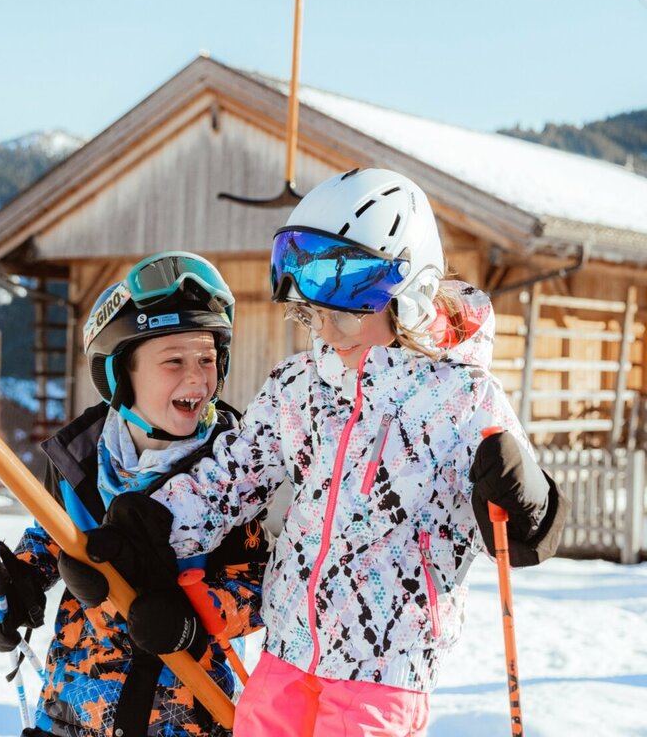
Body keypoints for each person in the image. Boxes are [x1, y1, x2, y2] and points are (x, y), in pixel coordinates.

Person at [81, 168, 569, 736]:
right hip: (287, 649)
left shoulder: (461, 398)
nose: (327, 332)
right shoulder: (300, 385)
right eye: (312, 314)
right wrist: (148, 527)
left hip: (385, 668)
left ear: (406, 296)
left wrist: (523, 496)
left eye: (342, 313)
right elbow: (231, 476)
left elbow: (522, 531)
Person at [0, 251, 269, 737]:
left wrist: (189, 622)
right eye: (173, 361)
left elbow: (258, 582)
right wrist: (18, 584)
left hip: (184, 716)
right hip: (74, 710)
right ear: (119, 375)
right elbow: (49, 538)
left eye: (207, 358)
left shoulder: (234, 466)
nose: (197, 377)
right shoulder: (79, 458)